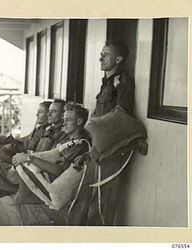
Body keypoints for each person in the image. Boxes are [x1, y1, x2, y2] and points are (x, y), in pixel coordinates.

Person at [74, 40, 135, 226]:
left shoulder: (123, 82)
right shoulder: (106, 83)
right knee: (85, 196)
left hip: (110, 150)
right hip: (96, 147)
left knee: (101, 203)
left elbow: (120, 117)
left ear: (118, 59)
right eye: (101, 53)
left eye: (105, 54)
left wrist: (95, 125)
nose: (100, 57)